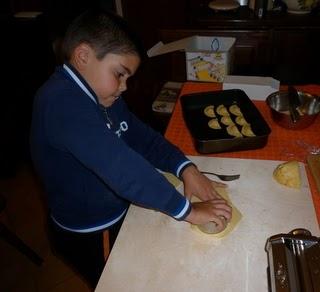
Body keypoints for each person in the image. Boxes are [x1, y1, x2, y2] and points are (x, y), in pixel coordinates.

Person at [30, 9, 232, 289]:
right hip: (91, 231)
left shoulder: (101, 94)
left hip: (116, 212)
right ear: (83, 56)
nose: (124, 87)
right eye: (120, 74)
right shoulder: (61, 103)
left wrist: (185, 168)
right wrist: (189, 211)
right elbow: (123, 168)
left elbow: (140, 137)